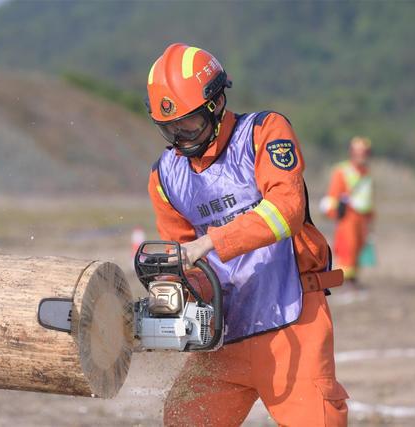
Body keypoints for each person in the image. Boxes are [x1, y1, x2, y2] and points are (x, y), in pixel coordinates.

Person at [145, 43, 348, 427]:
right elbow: (181, 258)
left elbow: (286, 209)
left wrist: (210, 242)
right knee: (183, 420)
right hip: (225, 331)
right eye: (168, 128)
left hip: (292, 319)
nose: (180, 137)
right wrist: (169, 296)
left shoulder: (263, 132)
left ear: (216, 104)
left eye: (187, 124)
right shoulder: (164, 178)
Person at [320, 137, 375, 290]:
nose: (361, 156)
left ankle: (353, 281)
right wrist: (333, 212)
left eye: (364, 153)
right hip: (347, 217)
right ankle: (343, 284)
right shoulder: (342, 171)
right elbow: (333, 195)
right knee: (346, 249)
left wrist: (371, 218)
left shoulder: (367, 173)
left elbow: (368, 197)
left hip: (362, 218)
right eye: (358, 152)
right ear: (351, 153)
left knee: (358, 249)